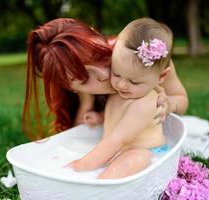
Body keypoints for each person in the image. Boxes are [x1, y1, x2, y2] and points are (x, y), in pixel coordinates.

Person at [22, 18, 188, 141]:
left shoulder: (144, 59)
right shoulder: (82, 92)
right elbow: (81, 135)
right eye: (84, 78)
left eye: (99, 55)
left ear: (96, 35)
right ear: (71, 87)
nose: (103, 74)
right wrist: (86, 103)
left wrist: (170, 104)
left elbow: (181, 99)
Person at [68, 18, 185, 179]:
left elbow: (118, 140)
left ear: (161, 77)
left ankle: (101, 186)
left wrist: (80, 166)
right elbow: (119, 116)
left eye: (134, 81)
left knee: (133, 160)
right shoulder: (126, 89)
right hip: (119, 147)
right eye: (116, 73)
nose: (121, 84)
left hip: (144, 150)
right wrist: (101, 117)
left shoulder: (146, 103)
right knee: (110, 156)